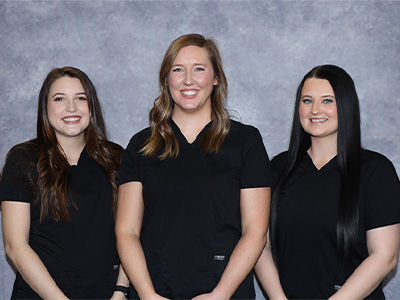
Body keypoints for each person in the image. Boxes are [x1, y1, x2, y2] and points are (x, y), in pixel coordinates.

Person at [116, 33, 272, 300]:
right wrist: (146, 293)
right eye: (178, 70)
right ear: (166, 80)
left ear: (216, 78)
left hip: (224, 291)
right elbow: (126, 231)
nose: (188, 80)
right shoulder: (142, 144)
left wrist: (221, 294)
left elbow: (255, 232)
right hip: (156, 291)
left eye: (199, 69)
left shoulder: (246, 141)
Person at [255, 64, 400, 299]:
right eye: (307, 100)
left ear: (345, 105)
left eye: (327, 101)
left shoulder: (375, 171)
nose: (315, 110)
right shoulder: (277, 168)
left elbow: (385, 257)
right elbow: (260, 244)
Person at [0, 67, 130, 299]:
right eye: (59, 99)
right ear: (45, 107)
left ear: (92, 106)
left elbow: (130, 233)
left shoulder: (116, 159)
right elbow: (15, 246)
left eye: (80, 98)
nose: (71, 107)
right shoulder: (23, 159)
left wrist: (120, 291)